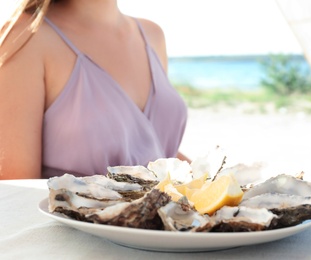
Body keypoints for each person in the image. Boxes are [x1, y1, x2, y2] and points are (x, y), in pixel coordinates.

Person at [0, 0, 189, 180]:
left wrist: (212, 180)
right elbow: (17, 194)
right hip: (71, 214)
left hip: (163, 211)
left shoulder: (152, 34)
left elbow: (150, 149)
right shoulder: (25, 37)